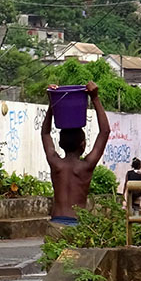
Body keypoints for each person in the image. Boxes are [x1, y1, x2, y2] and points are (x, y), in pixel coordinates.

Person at [41, 81, 110, 226]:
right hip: (76, 224)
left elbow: (45, 133)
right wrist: (95, 98)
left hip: (55, 222)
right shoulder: (86, 166)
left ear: (60, 144)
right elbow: (105, 132)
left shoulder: (56, 163)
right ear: (82, 145)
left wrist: (53, 103)